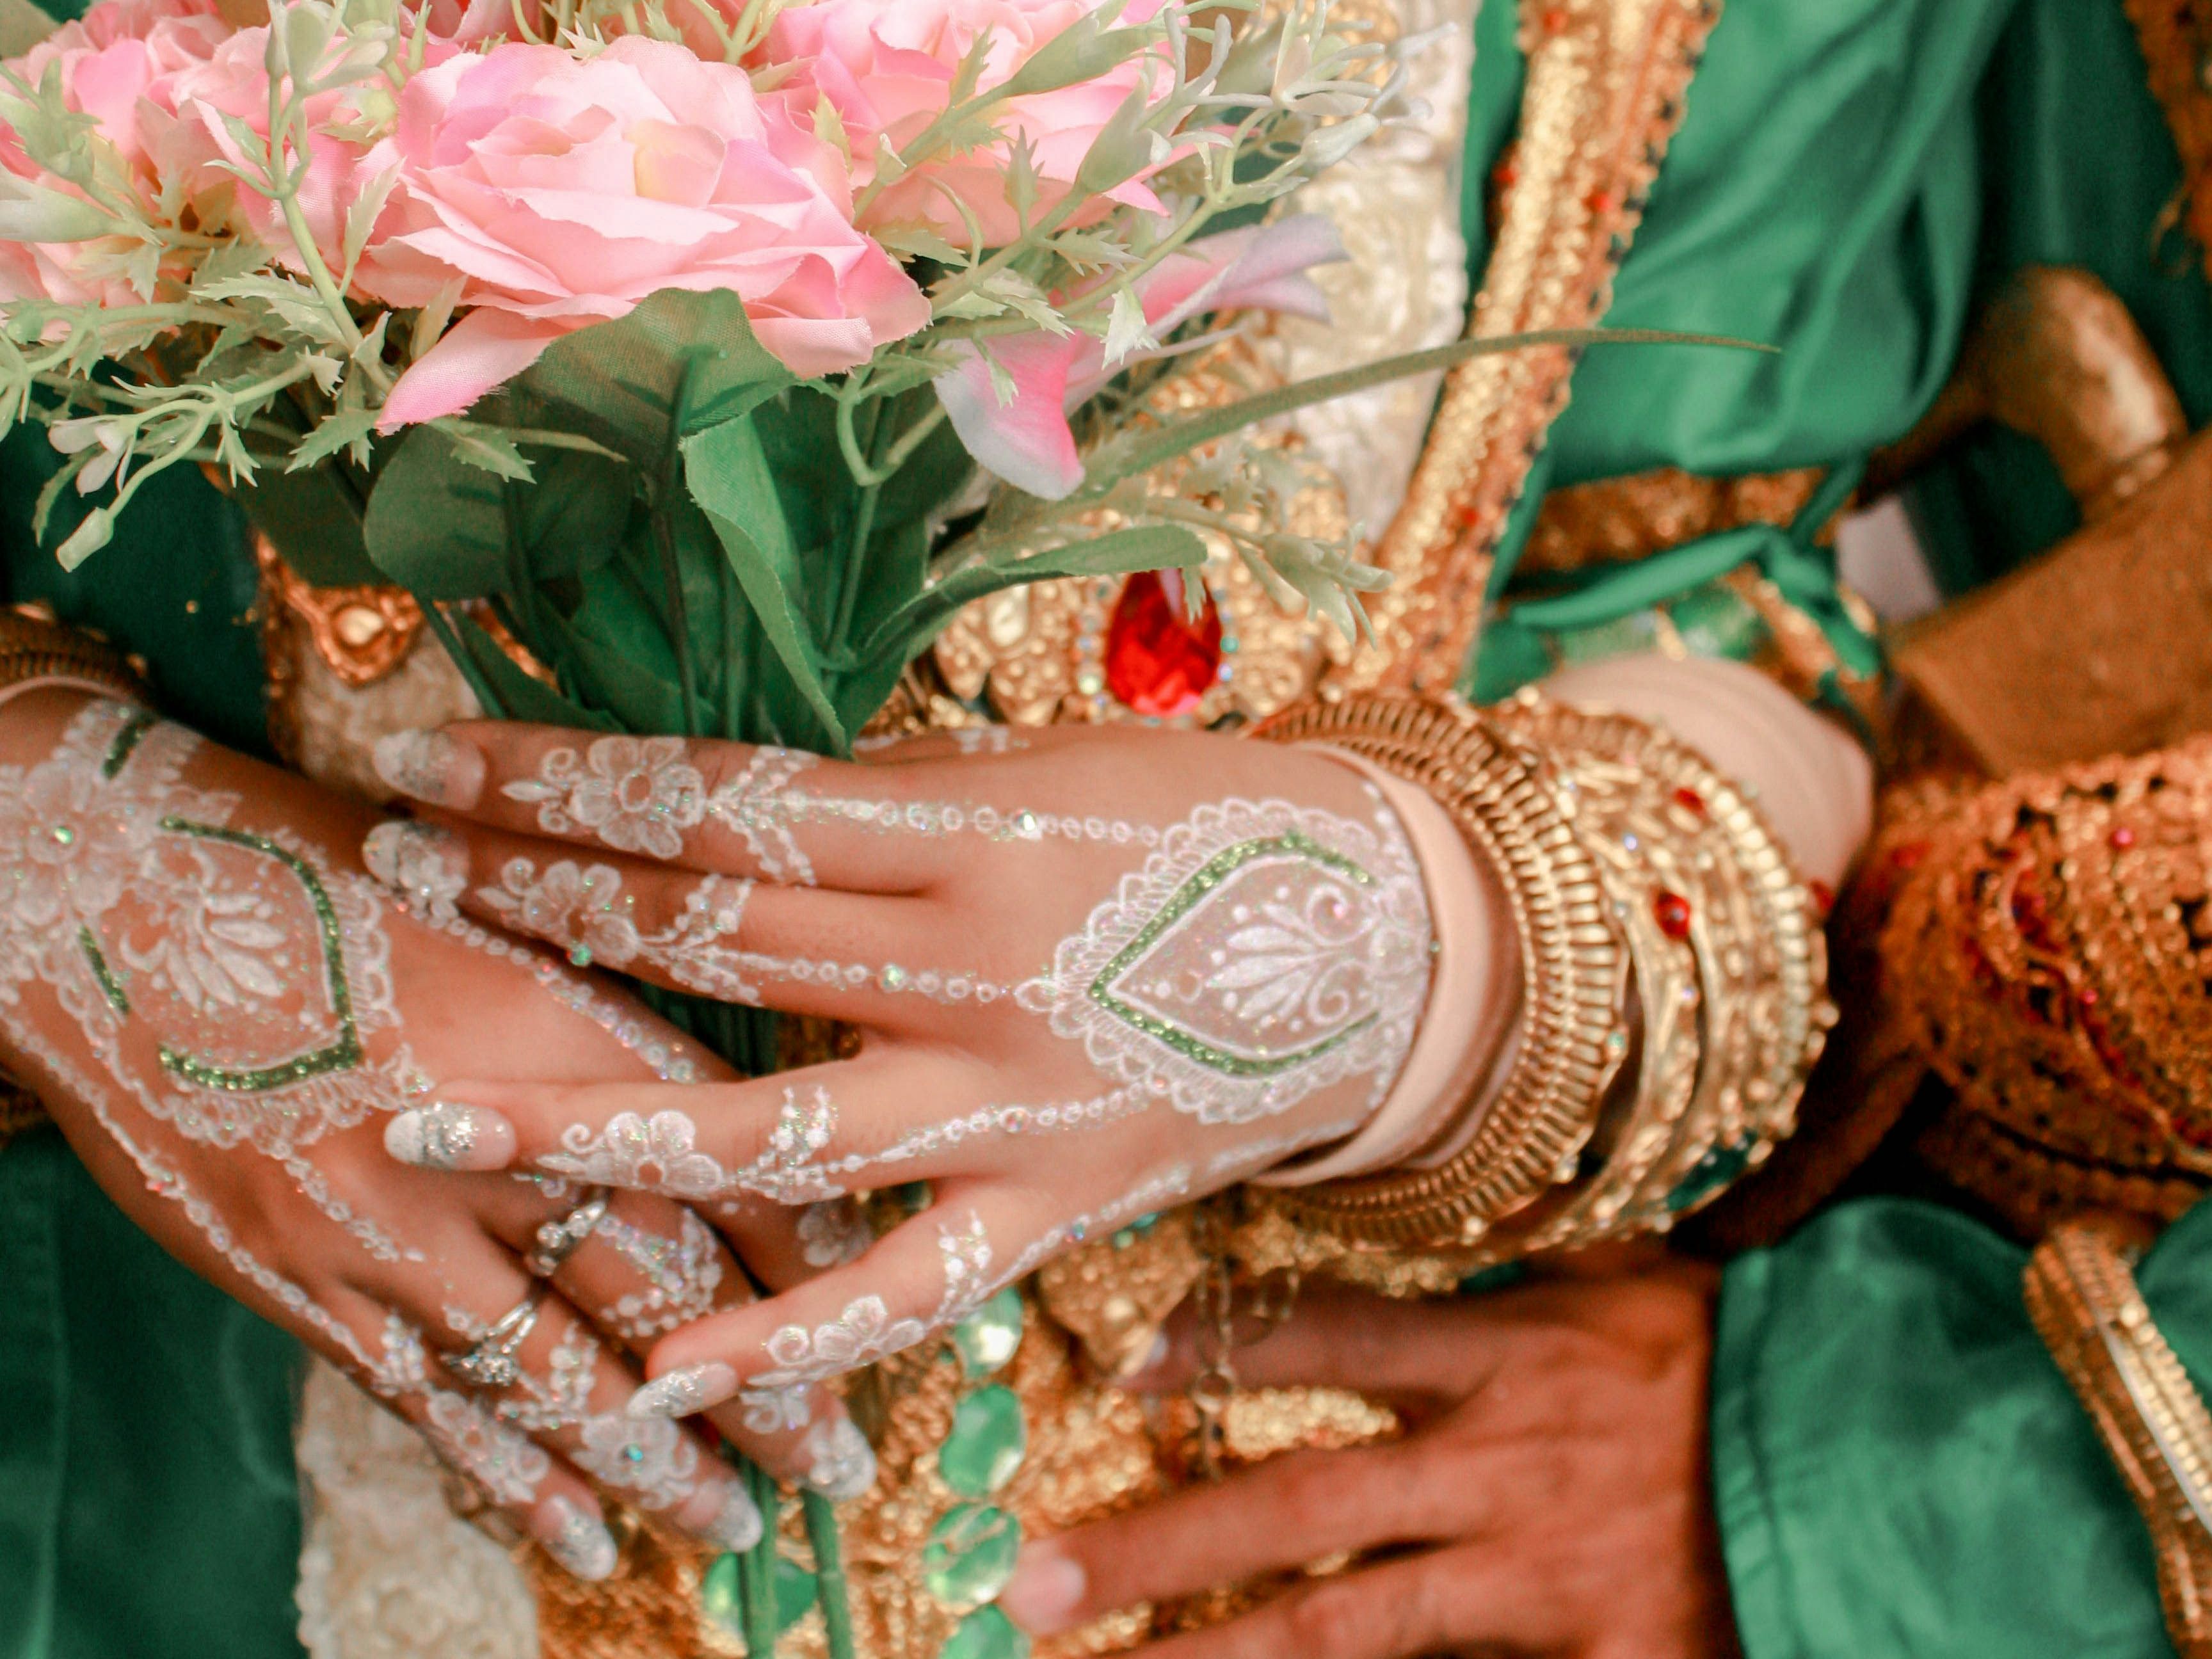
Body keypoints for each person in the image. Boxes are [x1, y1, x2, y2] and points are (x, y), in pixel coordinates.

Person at [1, 8, 2207, 1659]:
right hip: (163, 1484)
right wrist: (62, 861)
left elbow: (1844, 606)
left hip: (1263, 1516)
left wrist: (1445, 948)